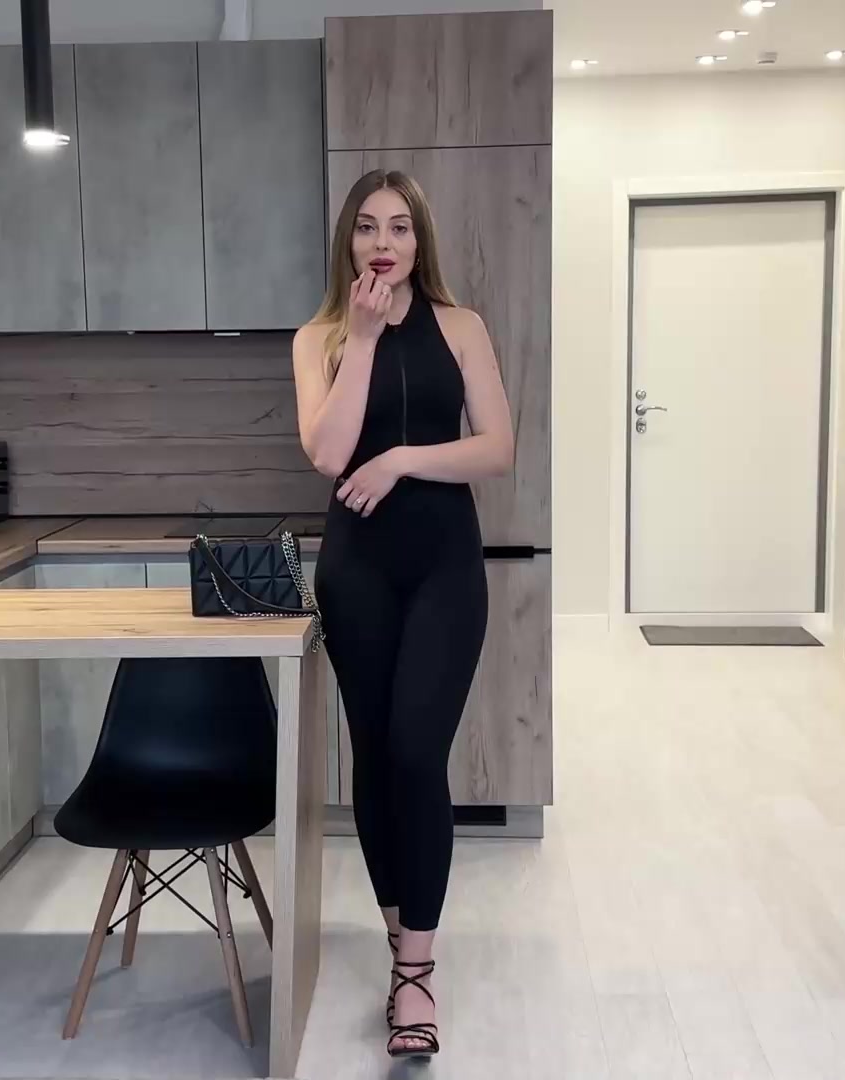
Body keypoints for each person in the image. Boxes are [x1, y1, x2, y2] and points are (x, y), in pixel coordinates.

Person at [291, 170, 514, 1059]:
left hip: (443, 570)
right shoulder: (320, 338)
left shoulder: (461, 327)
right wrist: (365, 338)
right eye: (367, 228)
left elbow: (497, 448)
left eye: (400, 228)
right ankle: (401, 948)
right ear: (347, 241)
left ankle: (416, 975)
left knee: (418, 752)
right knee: (377, 763)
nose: (383, 244)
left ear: (421, 241)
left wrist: (402, 461)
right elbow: (327, 453)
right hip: (358, 575)